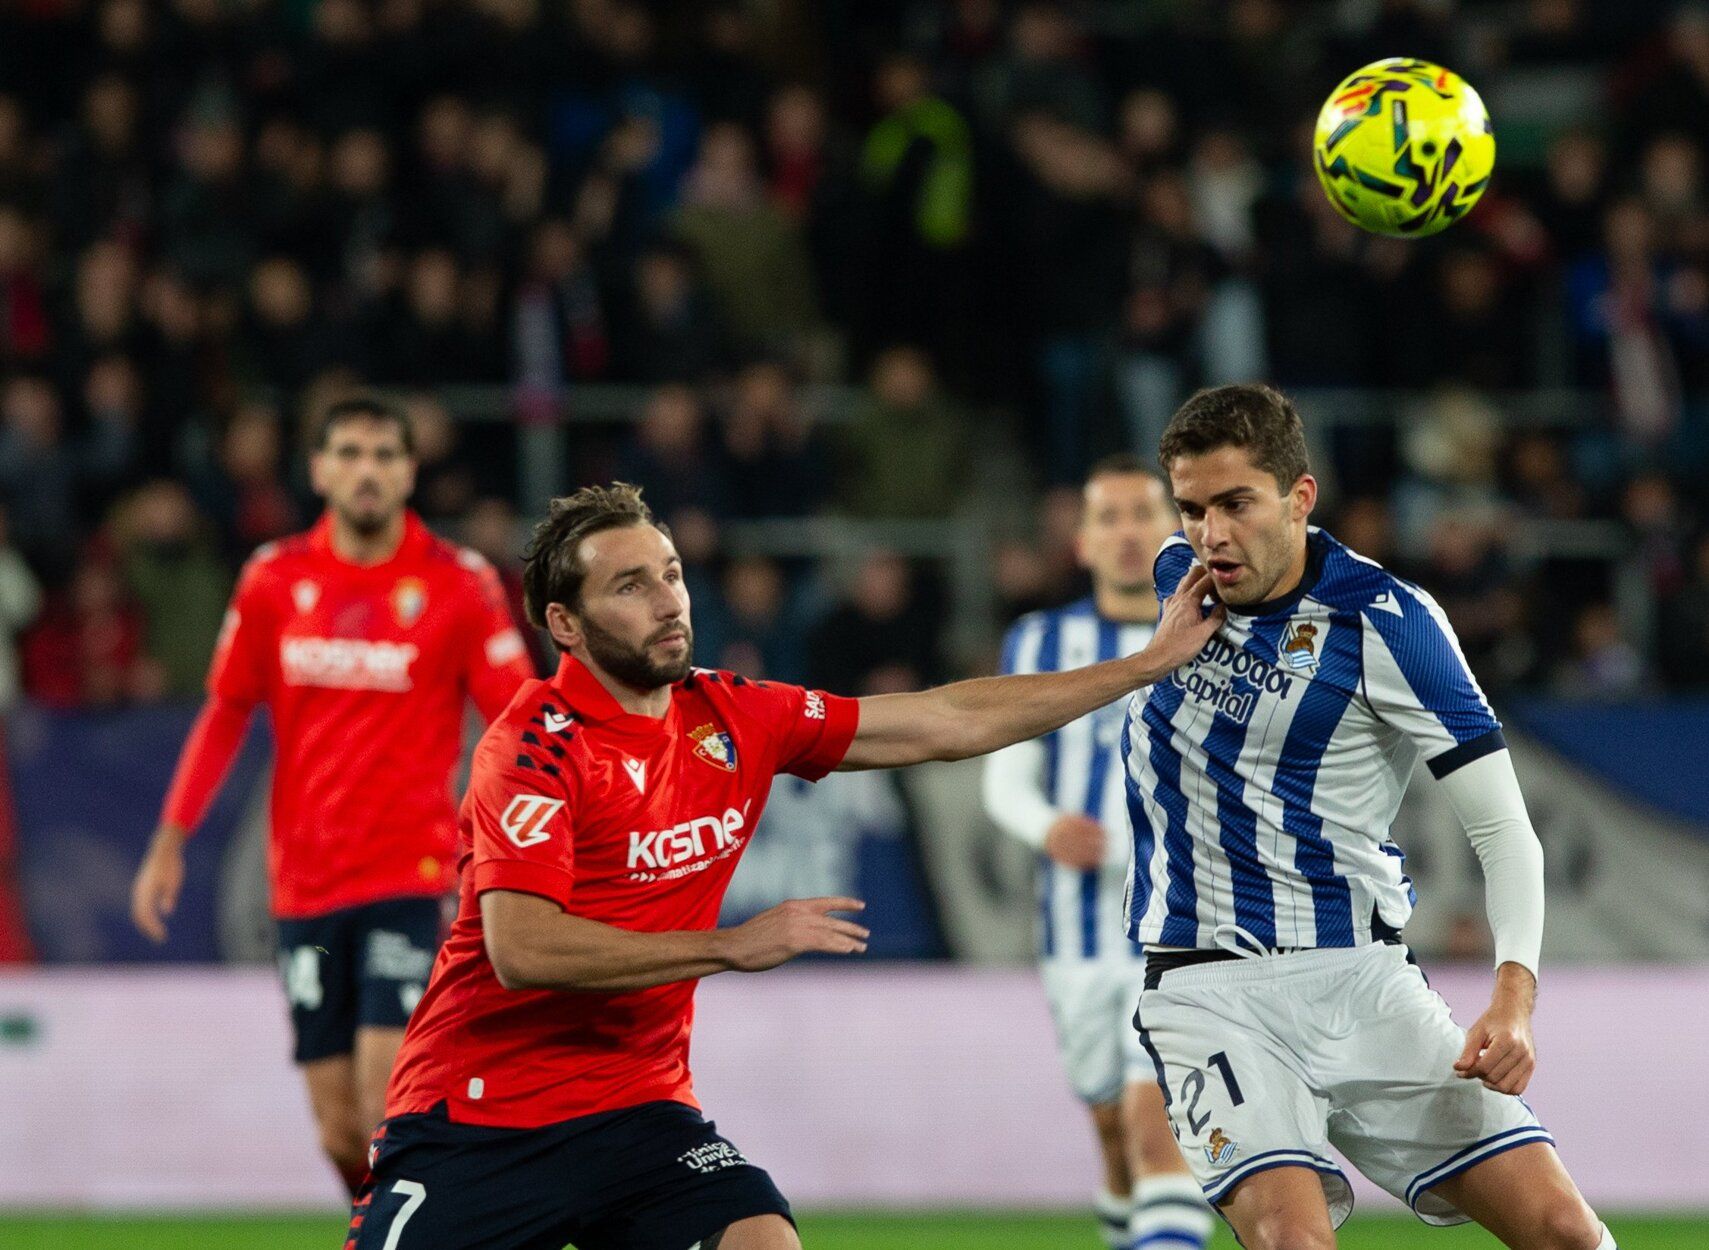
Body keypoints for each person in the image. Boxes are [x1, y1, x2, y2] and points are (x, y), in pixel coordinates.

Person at [348, 481, 1224, 1250]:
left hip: (640, 1108)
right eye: (630, 585)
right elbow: (523, 948)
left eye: (671, 575)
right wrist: (727, 947)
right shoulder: (531, 749)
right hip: (480, 1116)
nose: (666, 601)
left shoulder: (731, 715)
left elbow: (944, 720)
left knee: (763, 1239)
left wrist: (1144, 665)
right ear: (565, 625)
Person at [1123, 384, 1614, 1250]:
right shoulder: (1177, 580)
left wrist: (1511, 997)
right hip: (1206, 990)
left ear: (1299, 497)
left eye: (1235, 503)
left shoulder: (1390, 625)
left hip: (1363, 981)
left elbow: (1503, 831)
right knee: (1295, 1241)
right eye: (1192, 508)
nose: (1210, 534)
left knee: (1565, 1233)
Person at [128, 396, 535, 1197]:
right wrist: (170, 839)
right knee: (337, 1127)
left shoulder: (458, 583)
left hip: (410, 877)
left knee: (390, 1099)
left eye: (385, 455)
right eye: (349, 453)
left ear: (410, 472)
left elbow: (518, 720)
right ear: (318, 469)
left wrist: (548, 824)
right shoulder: (276, 578)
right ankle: (385, 1225)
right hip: (305, 889)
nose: (368, 470)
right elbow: (225, 712)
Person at [983, 454, 1213, 1250]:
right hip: (1075, 935)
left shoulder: (1214, 635)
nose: (1125, 533)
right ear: (1079, 542)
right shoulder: (1042, 640)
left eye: (1140, 514)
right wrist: (1045, 826)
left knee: (1160, 1134)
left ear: (1172, 530)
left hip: (1180, 933)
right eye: (1106, 518)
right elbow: (1004, 779)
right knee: (1117, 1138)